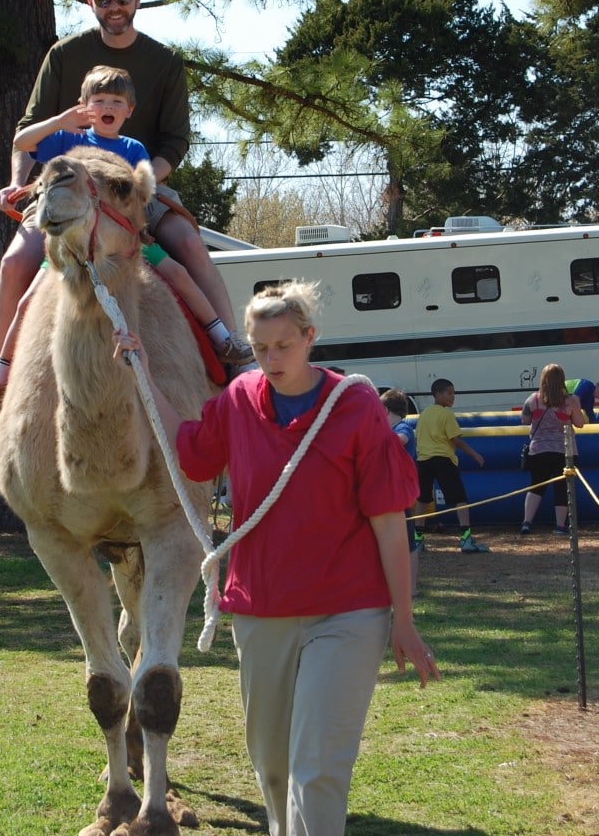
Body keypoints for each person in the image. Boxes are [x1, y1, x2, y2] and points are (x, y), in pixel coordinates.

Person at [113, 280, 440, 836]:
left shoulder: (355, 405)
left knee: (316, 768)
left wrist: (403, 622)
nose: (271, 359)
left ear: (309, 338)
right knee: (271, 765)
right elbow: (190, 450)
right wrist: (141, 371)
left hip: (347, 614)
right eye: (260, 348)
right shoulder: (240, 399)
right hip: (261, 612)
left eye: (283, 346)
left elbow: (389, 520)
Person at [0, 0, 241, 404]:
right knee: (15, 263)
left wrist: (135, 186)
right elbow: (28, 130)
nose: (113, 6)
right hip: (67, 185)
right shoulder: (63, 55)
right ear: (90, 3)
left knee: (190, 245)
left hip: (136, 182)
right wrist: (20, 182)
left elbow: (175, 141)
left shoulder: (165, 62)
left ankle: (236, 358)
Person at [0, 66, 252, 428]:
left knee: (178, 272)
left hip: (122, 242)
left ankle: (224, 340)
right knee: (26, 300)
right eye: (98, 101)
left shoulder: (132, 149)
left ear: (130, 110)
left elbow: (138, 198)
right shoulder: (67, 141)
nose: (106, 106)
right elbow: (22, 143)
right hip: (71, 247)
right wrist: (60, 121)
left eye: (116, 101)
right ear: (84, 106)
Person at [414, 378, 490, 553]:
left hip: (424, 461)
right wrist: (475, 454)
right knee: (460, 499)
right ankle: (466, 539)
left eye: (453, 393)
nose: (452, 397)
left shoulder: (424, 414)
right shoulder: (446, 414)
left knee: (422, 499)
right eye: (449, 393)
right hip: (443, 459)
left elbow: (418, 437)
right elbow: (455, 439)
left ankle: (418, 540)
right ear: (438, 394)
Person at [520, 363, 584, 536]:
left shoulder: (533, 399)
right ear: (562, 380)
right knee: (562, 488)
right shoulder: (570, 401)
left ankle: (526, 522)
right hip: (564, 450)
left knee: (536, 487)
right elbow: (580, 423)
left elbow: (524, 420)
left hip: (539, 450)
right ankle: (560, 526)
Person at [380, 389, 421, 598]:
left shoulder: (403, 427)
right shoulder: (388, 430)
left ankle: (411, 587)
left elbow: (401, 439)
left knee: (408, 541)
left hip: (402, 493)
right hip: (389, 493)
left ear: (385, 410)